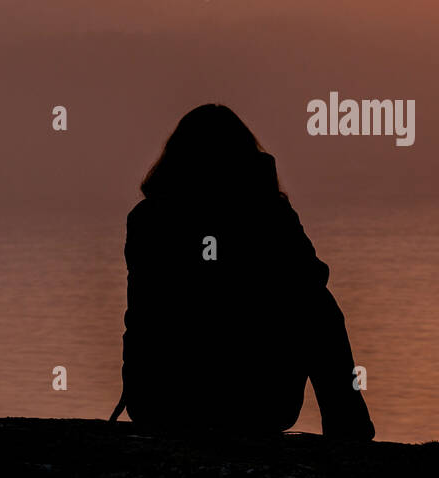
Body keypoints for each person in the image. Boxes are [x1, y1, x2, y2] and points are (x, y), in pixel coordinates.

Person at [109, 104, 375, 440]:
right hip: (253, 406)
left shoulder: (148, 218)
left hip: (158, 404)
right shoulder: (264, 214)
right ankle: (348, 426)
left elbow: (144, 310)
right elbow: (311, 279)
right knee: (317, 305)